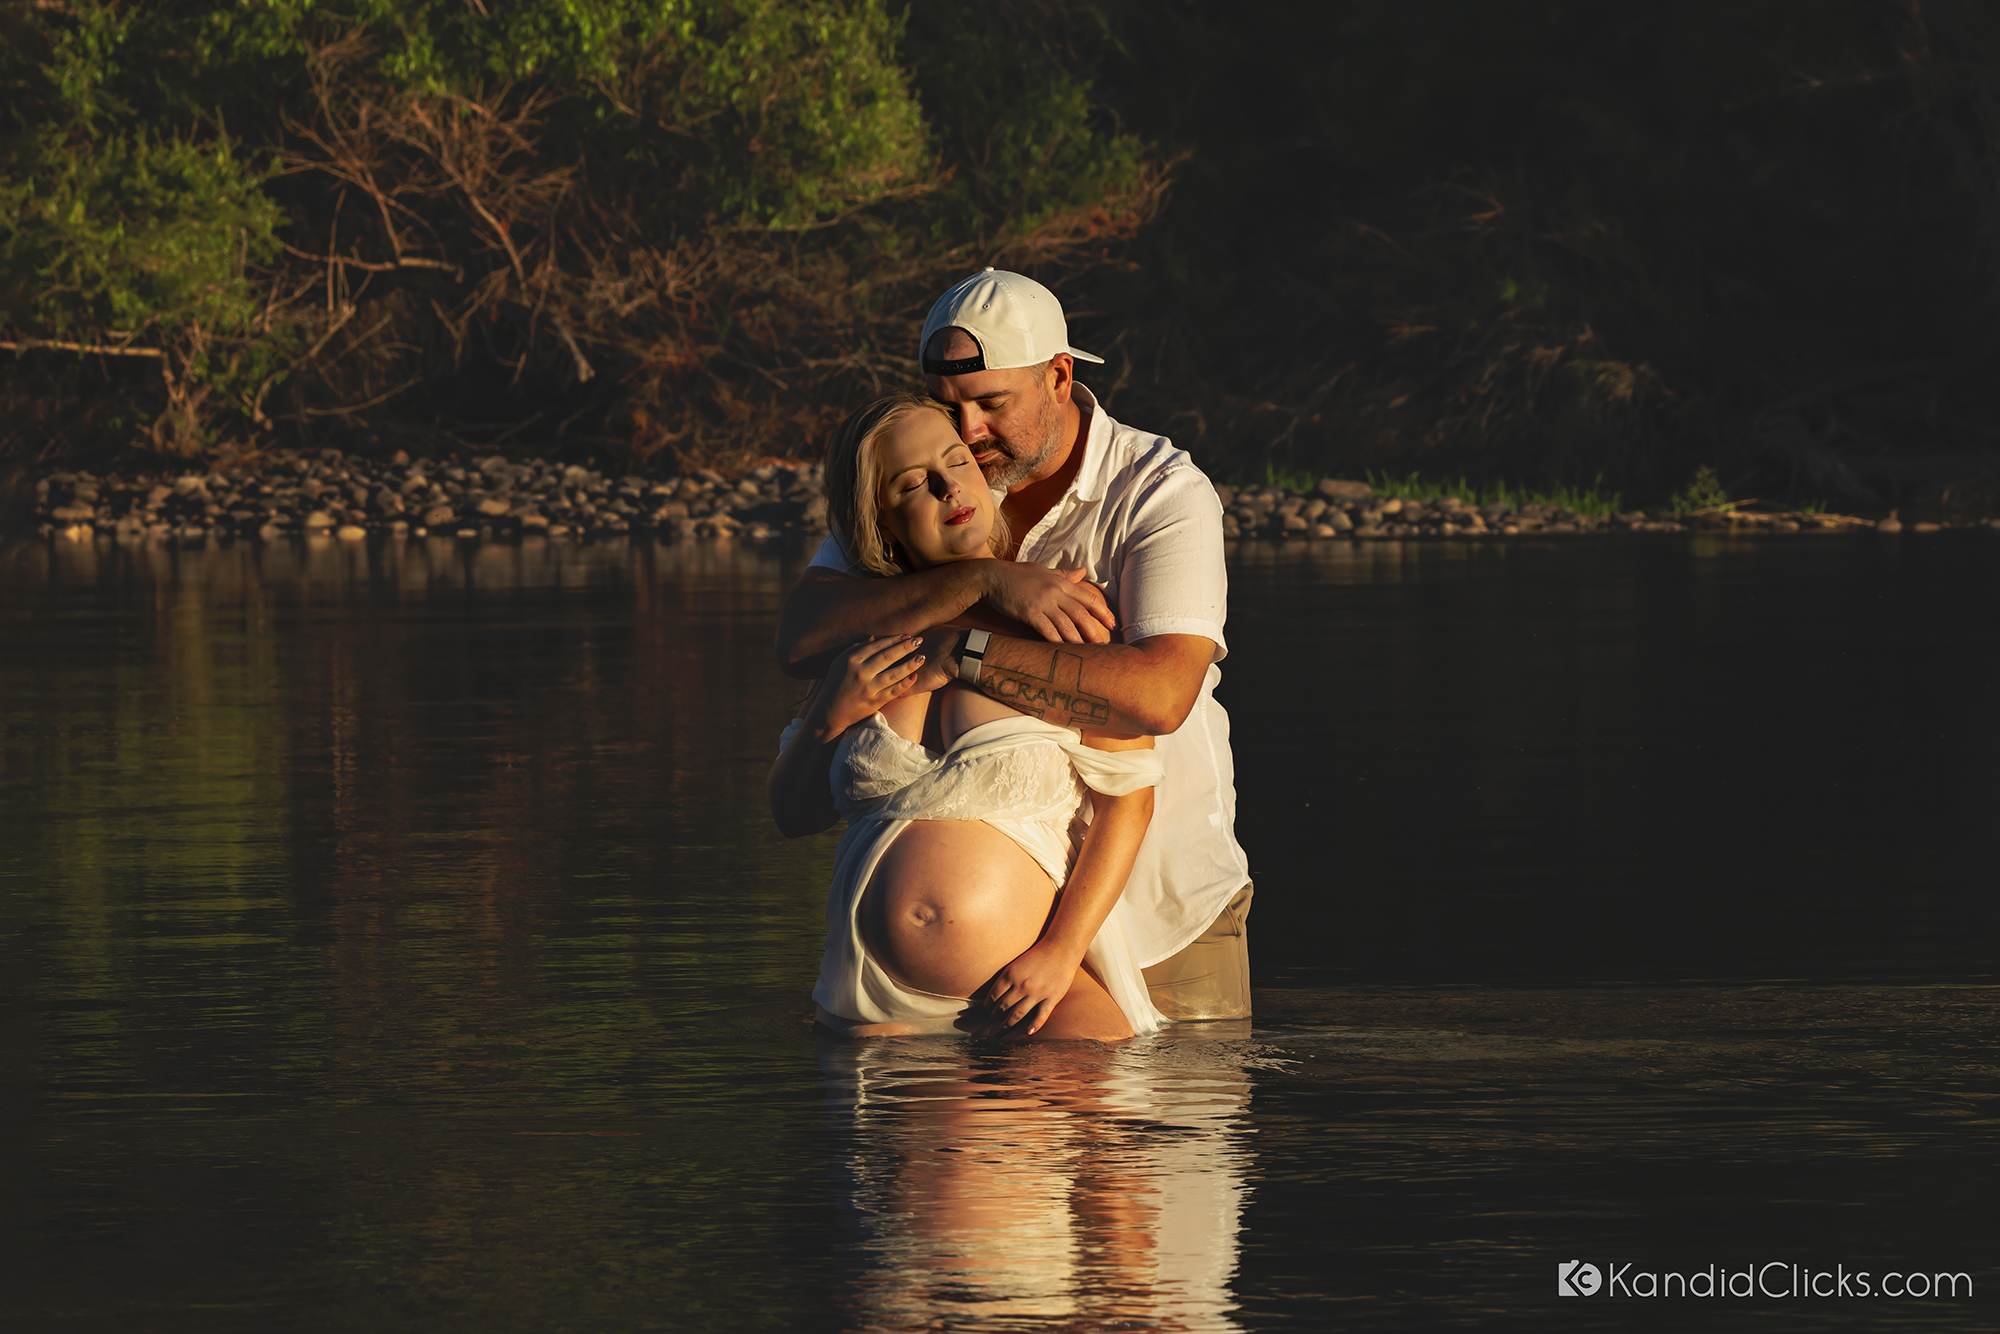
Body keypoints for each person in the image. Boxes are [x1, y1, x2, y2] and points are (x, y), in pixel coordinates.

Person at [775, 269, 1252, 1021]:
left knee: (1171, 1122)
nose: (967, 433)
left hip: (1161, 908)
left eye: (992, 404)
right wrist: (985, 583)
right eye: (949, 405)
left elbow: (1159, 698)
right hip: (919, 991)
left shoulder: (1158, 492)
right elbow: (804, 636)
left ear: (1058, 377)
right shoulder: (940, 478)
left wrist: (962, 653)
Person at [770, 394, 1167, 1041]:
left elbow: (1129, 802)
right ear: (884, 522)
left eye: (957, 460)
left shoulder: (1061, 618)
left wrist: (1061, 953)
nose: (947, 484)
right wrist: (827, 720)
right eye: (912, 483)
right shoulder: (861, 643)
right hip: (871, 1008)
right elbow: (792, 816)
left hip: (1034, 999)